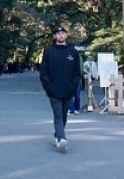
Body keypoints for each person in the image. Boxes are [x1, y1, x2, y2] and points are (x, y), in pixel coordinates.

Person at [39, 23, 80, 152]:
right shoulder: (49, 51)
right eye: (58, 33)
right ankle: (61, 138)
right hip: (53, 90)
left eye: (62, 33)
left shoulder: (72, 52)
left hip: (68, 90)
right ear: (55, 36)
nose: (60, 35)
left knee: (64, 115)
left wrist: (73, 86)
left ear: (66, 35)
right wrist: (48, 87)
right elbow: (44, 71)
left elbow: (76, 72)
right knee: (58, 114)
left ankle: (58, 134)